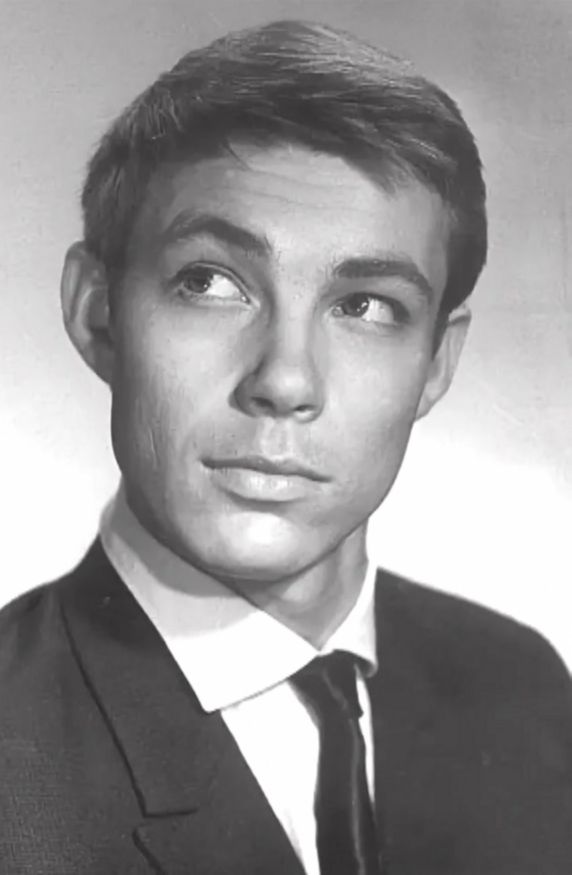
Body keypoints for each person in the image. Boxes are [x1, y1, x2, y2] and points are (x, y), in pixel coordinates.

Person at [1, 18, 571, 875]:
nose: (285, 380)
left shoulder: (522, 687)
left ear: (436, 365)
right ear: (97, 313)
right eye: (210, 282)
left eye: (366, 305)